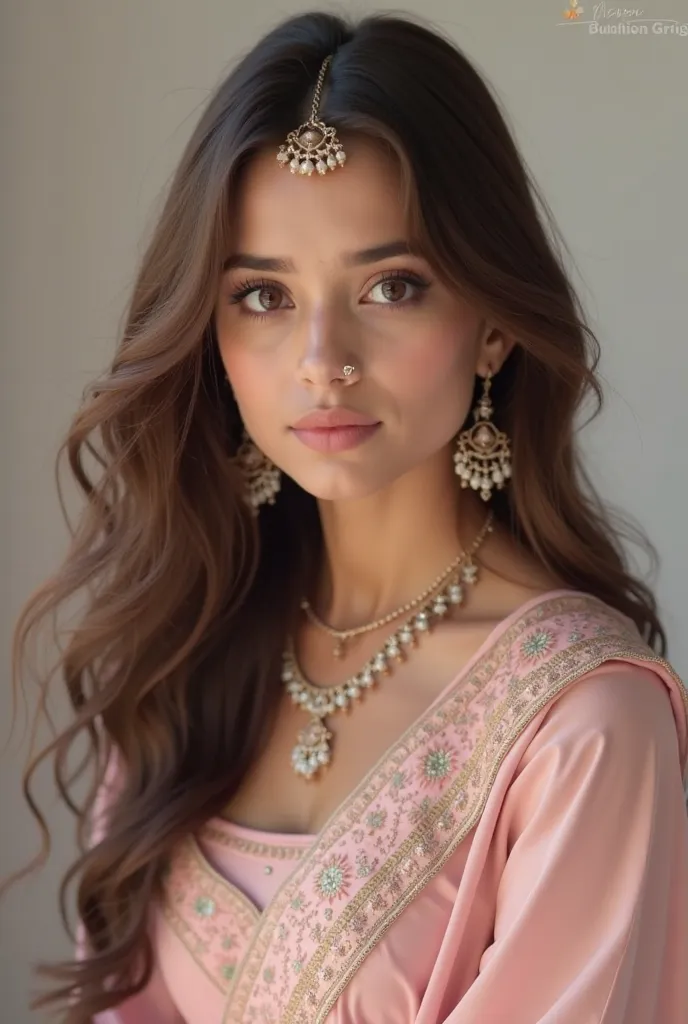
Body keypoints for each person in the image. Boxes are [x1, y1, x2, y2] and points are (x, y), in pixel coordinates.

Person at [9, 10, 688, 1024]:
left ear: (494, 324)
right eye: (263, 298)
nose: (323, 358)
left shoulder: (582, 727)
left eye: (391, 285)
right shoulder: (185, 666)